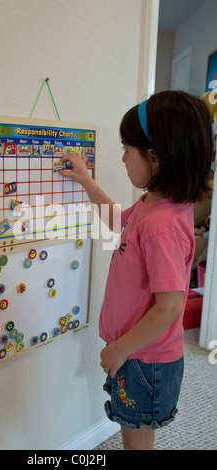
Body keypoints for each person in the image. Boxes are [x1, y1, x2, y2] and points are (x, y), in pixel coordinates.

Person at [59, 90, 213, 450]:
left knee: (136, 437)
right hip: (136, 353)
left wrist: (119, 350)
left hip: (145, 359)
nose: (123, 158)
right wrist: (84, 180)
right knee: (135, 429)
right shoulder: (151, 206)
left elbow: (171, 307)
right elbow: (116, 222)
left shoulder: (163, 226)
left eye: (128, 149)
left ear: (155, 158)